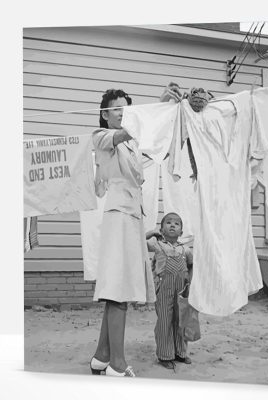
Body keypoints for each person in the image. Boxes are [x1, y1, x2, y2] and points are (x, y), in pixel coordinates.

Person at [90, 84, 183, 378]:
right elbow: (128, 130)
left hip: (132, 219)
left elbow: (146, 135)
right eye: (117, 108)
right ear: (105, 114)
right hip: (118, 218)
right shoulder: (102, 136)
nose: (122, 113)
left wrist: (164, 107)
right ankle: (117, 363)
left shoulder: (132, 145)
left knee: (122, 289)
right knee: (118, 291)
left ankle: (102, 356)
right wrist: (154, 107)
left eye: (126, 108)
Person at [146, 212, 193, 369]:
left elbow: (191, 266)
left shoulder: (185, 249)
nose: (172, 225)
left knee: (181, 320)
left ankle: (180, 352)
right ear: (161, 229)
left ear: (181, 231)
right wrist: (150, 233)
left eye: (176, 223)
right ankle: (165, 355)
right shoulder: (157, 244)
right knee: (165, 320)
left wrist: (189, 284)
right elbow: (138, 242)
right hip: (164, 289)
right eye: (168, 223)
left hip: (181, 290)